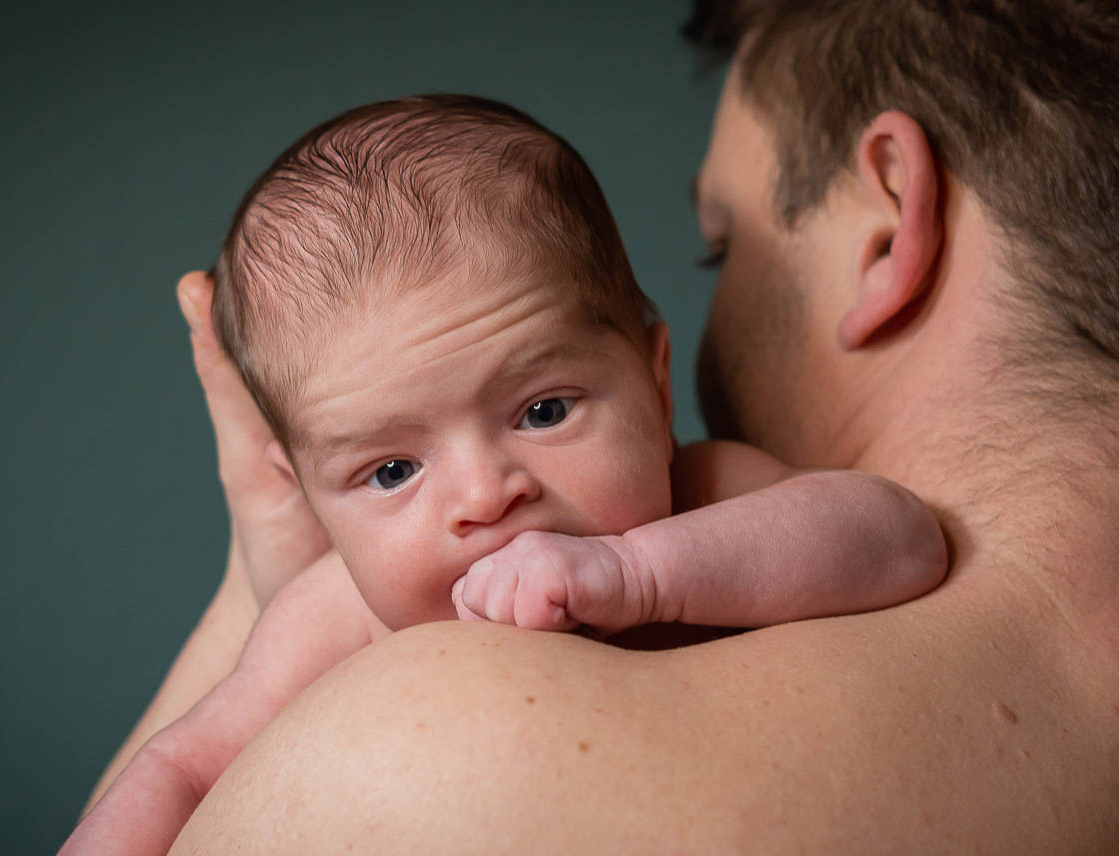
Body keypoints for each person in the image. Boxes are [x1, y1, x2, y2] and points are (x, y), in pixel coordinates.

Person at [97, 1, 1119, 851]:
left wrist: (641, 573)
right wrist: (263, 578)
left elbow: (899, 536)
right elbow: (183, 761)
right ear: (316, 488)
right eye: (389, 471)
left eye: (544, 411)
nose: (486, 493)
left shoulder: (708, 496)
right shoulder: (331, 614)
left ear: (652, 374)